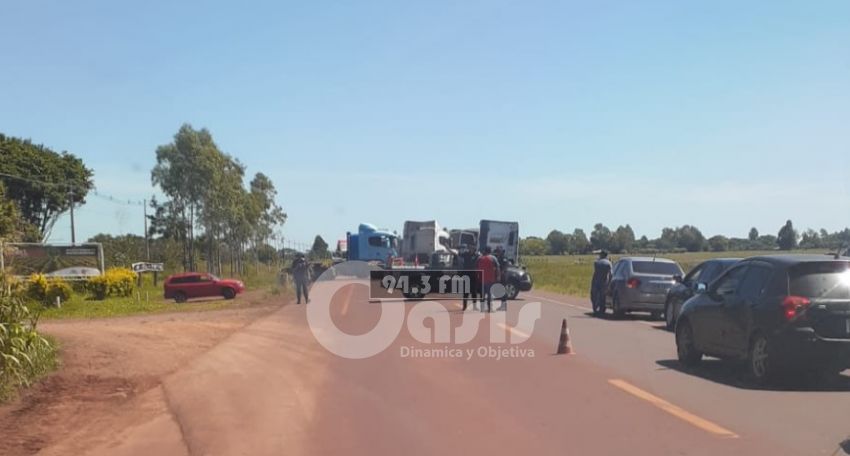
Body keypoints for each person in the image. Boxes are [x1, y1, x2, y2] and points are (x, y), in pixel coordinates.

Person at [476, 246, 501, 313]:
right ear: (490, 251)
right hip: (490, 278)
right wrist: (498, 276)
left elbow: (476, 267)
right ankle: (489, 309)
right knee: (489, 294)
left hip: (481, 279)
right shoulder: (493, 258)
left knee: (482, 294)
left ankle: (482, 308)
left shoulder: (480, 258)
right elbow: (498, 267)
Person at [456, 245, 480, 311]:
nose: (471, 249)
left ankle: (474, 306)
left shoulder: (477, 255)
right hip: (466, 274)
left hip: (474, 275)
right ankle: (464, 306)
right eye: (470, 248)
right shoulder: (465, 254)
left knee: (474, 292)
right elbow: (456, 253)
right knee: (466, 291)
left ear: (474, 249)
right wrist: (448, 248)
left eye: (473, 248)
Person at [590, 250, 612, 316]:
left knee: (594, 294)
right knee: (603, 296)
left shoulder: (596, 262)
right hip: (604, 281)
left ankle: (595, 307)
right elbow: (611, 274)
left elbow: (595, 272)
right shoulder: (608, 263)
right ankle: (602, 310)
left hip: (596, 281)